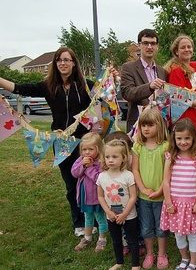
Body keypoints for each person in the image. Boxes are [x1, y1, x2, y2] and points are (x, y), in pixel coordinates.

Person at [0, 47, 118, 237]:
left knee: (93, 179)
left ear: (73, 63)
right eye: (59, 60)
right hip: (61, 143)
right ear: (55, 64)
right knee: (71, 183)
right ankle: (79, 222)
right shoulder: (49, 86)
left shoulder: (85, 86)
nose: (63, 63)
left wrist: (112, 78)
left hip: (85, 142)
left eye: (67, 60)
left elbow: (107, 94)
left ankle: (97, 218)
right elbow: (18, 87)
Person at [160, 118, 196, 270]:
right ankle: (184, 258)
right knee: (178, 234)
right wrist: (168, 203)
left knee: (192, 235)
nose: (183, 142)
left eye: (187, 138)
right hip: (174, 205)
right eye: (179, 138)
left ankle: (193, 262)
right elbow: (165, 181)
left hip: (192, 204)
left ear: (193, 138)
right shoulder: (170, 157)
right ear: (174, 139)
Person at [131, 108, 170, 270]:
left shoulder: (166, 147)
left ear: (159, 126)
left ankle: (161, 253)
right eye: (143, 125)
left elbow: (169, 173)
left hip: (162, 196)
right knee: (146, 227)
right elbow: (135, 170)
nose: (146, 129)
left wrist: (160, 190)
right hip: (144, 196)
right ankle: (149, 253)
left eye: (150, 125)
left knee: (161, 227)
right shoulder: (138, 147)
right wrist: (142, 188)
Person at [97, 139, 140, 270]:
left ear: (123, 158)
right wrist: (108, 212)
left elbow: (133, 197)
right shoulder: (101, 177)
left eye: (115, 157)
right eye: (107, 157)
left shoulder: (128, 176)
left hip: (129, 216)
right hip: (111, 216)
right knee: (116, 240)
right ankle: (119, 262)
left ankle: (135, 265)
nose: (110, 160)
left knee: (132, 239)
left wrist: (124, 214)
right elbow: (101, 197)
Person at [104, 131, 146, 257]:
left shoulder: (133, 160)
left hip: (133, 197)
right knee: (121, 223)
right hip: (117, 200)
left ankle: (140, 243)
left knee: (135, 223)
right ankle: (126, 243)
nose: (111, 158)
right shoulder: (109, 165)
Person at [121, 29, 166, 132]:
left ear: (157, 46)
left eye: (153, 43)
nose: (149, 47)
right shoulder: (128, 67)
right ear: (139, 45)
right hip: (139, 125)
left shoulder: (162, 71)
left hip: (159, 125)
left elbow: (164, 98)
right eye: (145, 43)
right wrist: (149, 87)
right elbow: (127, 93)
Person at [71, 132, 108, 252]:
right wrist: (82, 165)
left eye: (90, 149)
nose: (87, 152)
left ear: (98, 149)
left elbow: (99, 179)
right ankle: (87, 237)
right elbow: (74, 173)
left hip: (97, 197)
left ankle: (102, 238)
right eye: (84, 149)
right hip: (85, 196)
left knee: (100, 217)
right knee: (87, 216)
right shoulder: (81, 160)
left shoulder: (101, 162)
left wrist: (89, 169)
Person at [164, 34, 196, 140]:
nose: (187, 49)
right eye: (183, 47)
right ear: (176, 52)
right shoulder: (176, 70)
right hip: (184, 123)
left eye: (189, 47)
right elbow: (180, 98)